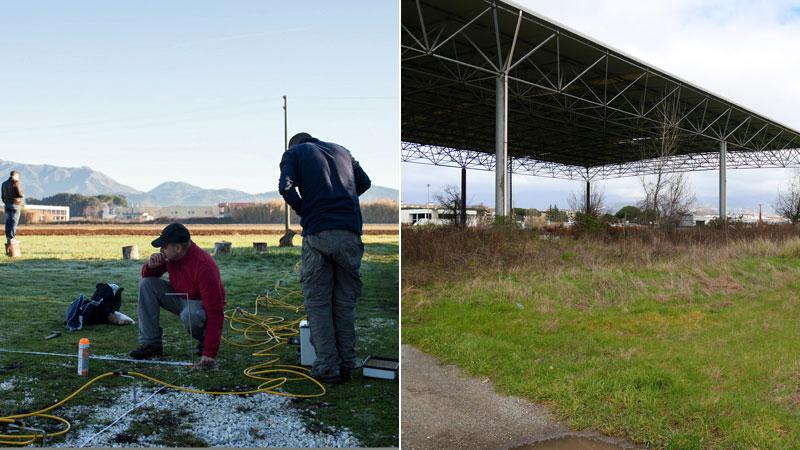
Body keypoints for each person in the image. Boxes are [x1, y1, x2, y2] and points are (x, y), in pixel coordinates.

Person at [279, 132, 371, 383]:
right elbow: (364, 182)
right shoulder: (343, 151)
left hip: (318, 233)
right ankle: (347, 363)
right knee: (344, 303)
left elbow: (285, 187)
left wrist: (306, 208)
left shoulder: (294, 153)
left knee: (318, 303)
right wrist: (340, 200)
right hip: (350, 234)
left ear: (294, 145)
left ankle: (328, 367)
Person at [129, 223, 225, 369]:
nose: (161, 250)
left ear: (178, 248)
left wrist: (210, 352)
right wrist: (151, 266)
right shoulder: (171, 257)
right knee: (146, 284)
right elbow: (148, 276)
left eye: (164, 247)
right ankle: (151, 344)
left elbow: (215, 311)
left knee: (190, 315)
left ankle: (205, 340)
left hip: (198, 305)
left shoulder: (204, 265)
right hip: (179, 296)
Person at [1, 170, 24, 245]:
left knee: (8, 222)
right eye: (18, 177)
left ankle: (8, 238)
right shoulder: (16, 182)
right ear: (15, 175)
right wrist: (22, 194)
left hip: (7, 205)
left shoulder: (3, 184)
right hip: (15, 205)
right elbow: (20, 194)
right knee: (14, 222)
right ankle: (12, 238)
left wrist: (6, 202)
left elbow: (2, 196)